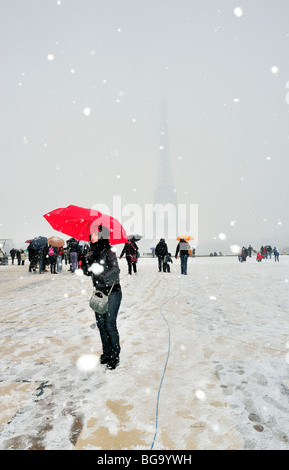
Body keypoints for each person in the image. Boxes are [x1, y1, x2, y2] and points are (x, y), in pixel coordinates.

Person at [83, 225, 122, 370]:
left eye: (94, 234)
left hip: (112, 292)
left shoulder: (109, 251)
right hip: (99, 292)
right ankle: (106, 353)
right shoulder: (91, 252)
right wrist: (86, 262)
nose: (92, 237)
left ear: (101, 235)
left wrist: (102, 277)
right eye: (91, 234)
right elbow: (89, 272)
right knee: (101, 324)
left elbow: (115, 269)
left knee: (110, 324)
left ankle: (115, 355)